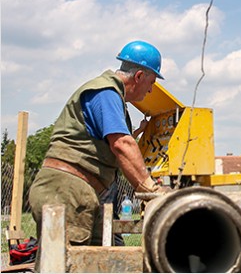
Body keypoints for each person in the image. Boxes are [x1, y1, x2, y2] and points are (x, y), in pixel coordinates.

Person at [29, 40, 171, 247]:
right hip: (67, 192)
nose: (150, 91)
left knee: (95, 260)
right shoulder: (106, 92)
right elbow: (122, 144)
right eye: (152, 83)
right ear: (139, 76)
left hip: (79, 192)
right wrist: (151, 190)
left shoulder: (109, 94)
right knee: (65, 263)